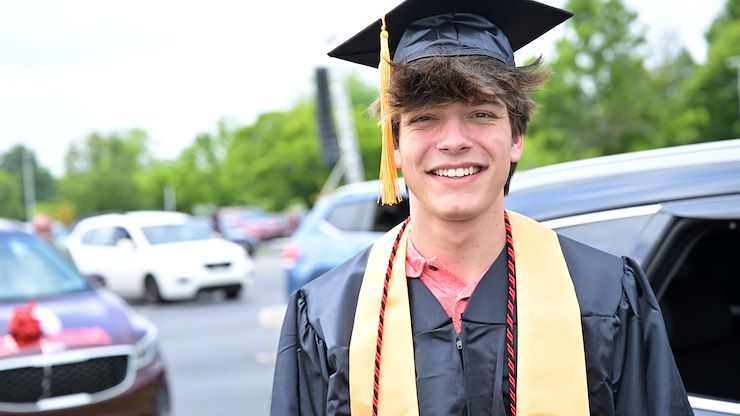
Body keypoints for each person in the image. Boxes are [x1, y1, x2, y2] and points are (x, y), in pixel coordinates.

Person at [271, 0, 693, 414]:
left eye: (480, 113)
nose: (453, 141)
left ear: (515, 138)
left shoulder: (604, 294)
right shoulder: (330, 317)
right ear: (394, 145)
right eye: (424, 118)